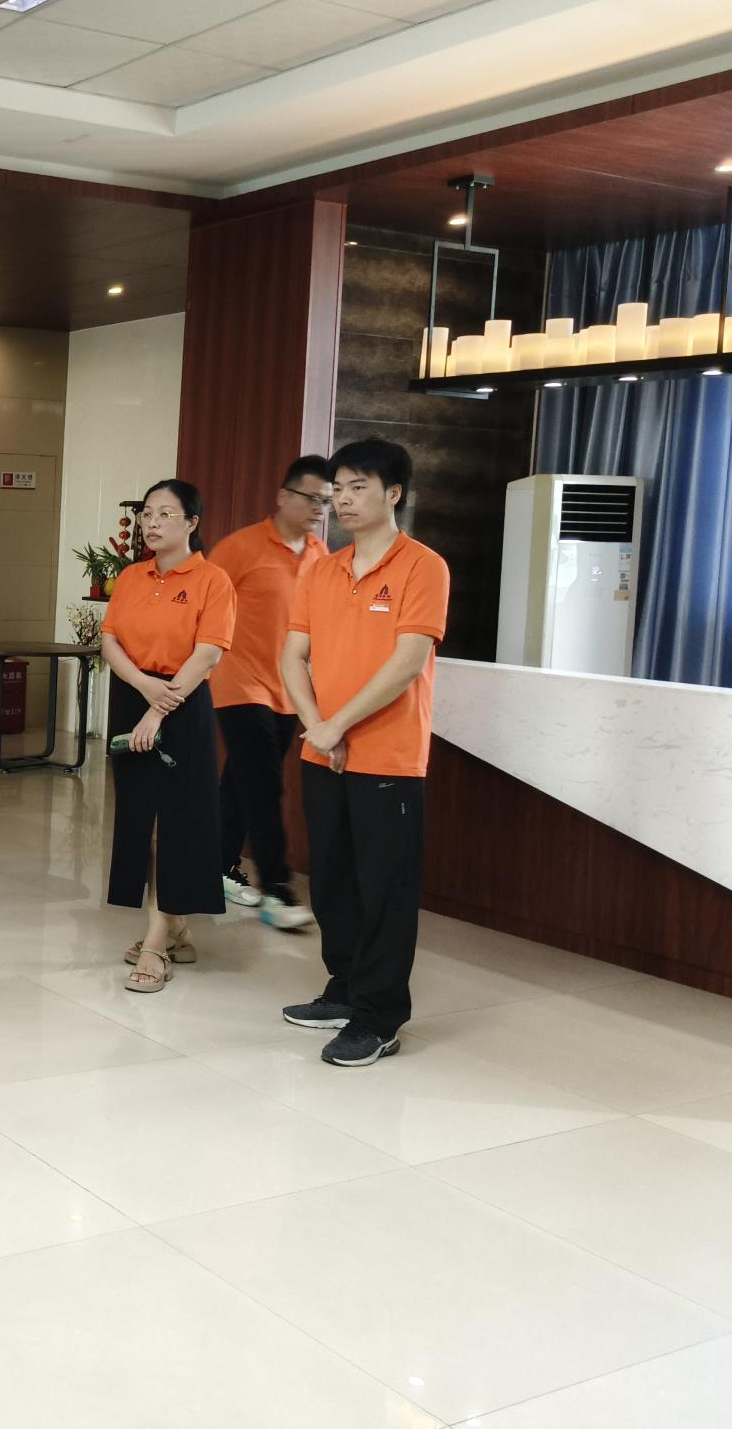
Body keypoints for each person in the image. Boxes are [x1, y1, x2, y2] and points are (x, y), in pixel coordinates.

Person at [279, 437, 449, 1068]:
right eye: (338, 490)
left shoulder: (423, 566)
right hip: (324, 751)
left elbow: (408, 662)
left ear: (393, 493)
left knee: (385, 889)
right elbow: (291, 656)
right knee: (332, 881)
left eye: (358, 487)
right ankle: (346, 988)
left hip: (389, 757)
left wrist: (336, 725)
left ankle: (379, 1017)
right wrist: (317, 727)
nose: (343, 500)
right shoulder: (322, 569)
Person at [101, 479, 236, 993]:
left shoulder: (212, 580)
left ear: (192, 523)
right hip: (133, 695)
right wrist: (142, 687)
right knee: (143, 822)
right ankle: (175, 928)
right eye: (146, 514)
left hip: (182, 704)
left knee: (175, 825)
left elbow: (208, 654)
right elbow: (110, 641)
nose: (151, 523)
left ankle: (156, 946)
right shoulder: (131, 577)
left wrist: (157, 710)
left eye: (165, 514)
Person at [208, 454, 332, 930]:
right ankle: (276, 889)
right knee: (263, 781)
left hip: (288, 688)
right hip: (237, 681)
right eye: (311, 498)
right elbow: (204, 601)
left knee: (241, 781)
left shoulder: (320, 555)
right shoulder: (241, 547)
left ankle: (214, 866)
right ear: (283, 496)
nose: (319, 508)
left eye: (326, 500)